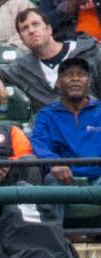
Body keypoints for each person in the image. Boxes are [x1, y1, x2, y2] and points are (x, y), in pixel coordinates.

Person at [0, 7, 101, 113]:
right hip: (52, 130)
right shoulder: (22, 67)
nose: (31, 31)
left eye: (36, 24)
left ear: (48, 29)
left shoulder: (89, 52)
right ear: (22, 39)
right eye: (24, 28)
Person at [31, 56, 101, 189]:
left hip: (98, 177)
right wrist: (55, 163)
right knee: (52, 183)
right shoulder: (46, 114)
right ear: (58, 83)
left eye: (81, 74)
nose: (75, 78)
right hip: (61, 177)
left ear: (89, 82)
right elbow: (40, 143)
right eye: (68, 75)